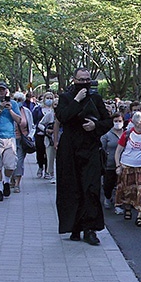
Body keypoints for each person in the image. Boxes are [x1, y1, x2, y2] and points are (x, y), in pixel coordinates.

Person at [55, 68, 113, 245]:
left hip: (90, 149)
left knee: (91, 188)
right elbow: (63, 117)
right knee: (71, 188)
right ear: (74, 80)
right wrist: (76, 100)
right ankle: (74, 227)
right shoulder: (65, 98)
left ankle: (90, 229)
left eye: (87, 79)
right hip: (69, 150)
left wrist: (95, 126)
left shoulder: (96, 98)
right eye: (81, 79)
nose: (84, 82)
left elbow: (108, 121)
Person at [114, 112, 141, 227]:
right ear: (138, 123)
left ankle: (139, 216)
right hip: (127, 166)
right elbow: (118, 151)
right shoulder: (127, 134)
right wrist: (118, 165)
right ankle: (128, 208)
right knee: (128, 189)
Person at [0, 81, 22, 202]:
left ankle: (6, 181)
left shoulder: (13, 104)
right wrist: (0, 109)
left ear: (7, 91)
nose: (2, 92)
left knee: (10, 165)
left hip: (9, 137)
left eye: (3, 90)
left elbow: (19, 120)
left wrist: (10, 110)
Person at [11, 91, 35, 193]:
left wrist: (30, 136)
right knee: (10, 161)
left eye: (19, 100)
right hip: (10, 139)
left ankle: (17, 183)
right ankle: (11, 178)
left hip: (22, 139)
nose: (17, 102)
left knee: (19, 161)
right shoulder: (9, 111)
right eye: (15, 100)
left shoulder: (26, 112)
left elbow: (32, 126)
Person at [101, 112, 125, 212]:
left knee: (121, 184)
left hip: (124, 164)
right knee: (109, 184)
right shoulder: (107, 135)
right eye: (116, 121)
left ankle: (119, 202)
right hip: (110, 164)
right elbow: (102, 148)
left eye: (120, 121)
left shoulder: (126, 134)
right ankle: (107, 197)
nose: (118, 123)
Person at [32, 92, 55, 178]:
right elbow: (34, 120)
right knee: (40, 151)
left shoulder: (54, 110)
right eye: (47, 98)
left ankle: (47, 170)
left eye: (51, 98)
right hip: (40, 133)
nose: (49, 100)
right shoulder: (38, 109)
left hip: (50, 136)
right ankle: (40, 166)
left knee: (48, 153)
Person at [38, 97, 59, 184]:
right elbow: (40, 124)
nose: (57, 106)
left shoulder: (64, 115)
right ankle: (52, 174)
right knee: (50, 158)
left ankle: (58, 175)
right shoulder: (49, 115)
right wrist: (46, 130)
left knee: (59, 158)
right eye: (55, 104)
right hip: (50, 140)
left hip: (60, 140)